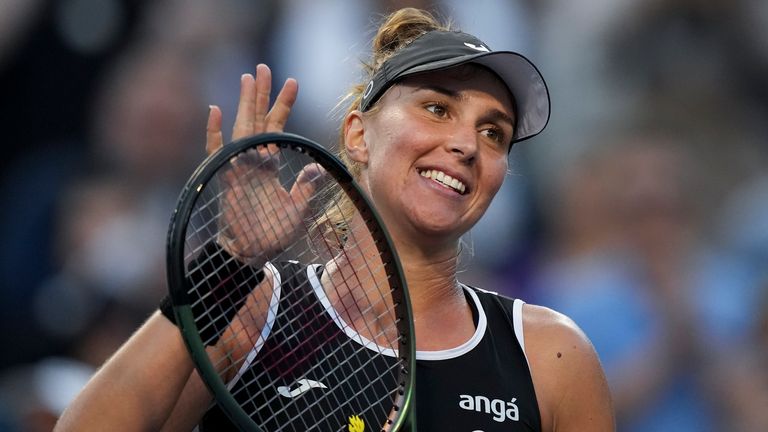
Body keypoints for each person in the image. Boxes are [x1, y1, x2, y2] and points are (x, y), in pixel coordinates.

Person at [55, 7, 614, 432]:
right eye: (437, 108)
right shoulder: (253, 309)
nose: (466, 144)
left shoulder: (551, 357)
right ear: (356, 133)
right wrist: (229, 263)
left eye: (494, 133)